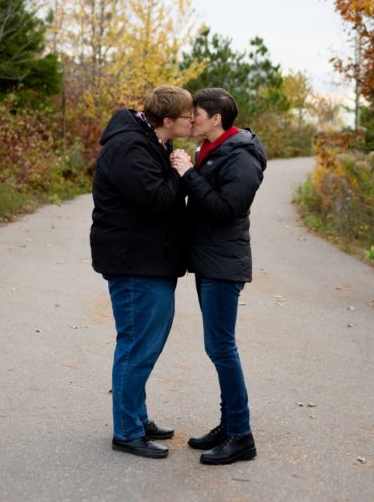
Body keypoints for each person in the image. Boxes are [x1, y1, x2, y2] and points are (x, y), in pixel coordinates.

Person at [90, 85, 194, 459]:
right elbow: (156, 200)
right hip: (135, 263)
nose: (193, 119)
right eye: (187, 116)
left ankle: (136, 416)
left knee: (145, 344)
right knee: (136, 346)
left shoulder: (151, 142)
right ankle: (127, 432)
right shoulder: (130, 148)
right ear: (168, 121)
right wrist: (181, 174)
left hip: (150, 260)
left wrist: (171, 167)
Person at [170, 87, 267, 465]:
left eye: (196, 113)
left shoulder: (242, 157)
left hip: (224, 264)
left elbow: (226, 209)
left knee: (221, 347)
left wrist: (189, 175)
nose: (191, 118)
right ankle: (229, 426)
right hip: (209, 260)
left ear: (216, 119)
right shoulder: (213, 150)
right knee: (219, 346)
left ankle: (241, 435)